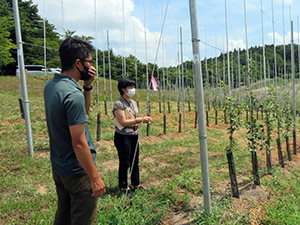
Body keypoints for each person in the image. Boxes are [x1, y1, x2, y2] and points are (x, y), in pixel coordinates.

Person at [44, 37, 105, 225]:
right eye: (89, 62)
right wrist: (94, 177)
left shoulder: (52, 86)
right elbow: (79, 142)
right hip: (78, 172)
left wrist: (87, 86)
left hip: (59, 167)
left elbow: (83, 113)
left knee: (63, 216)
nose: (91, 66)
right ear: (78, 63)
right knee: (83, 220)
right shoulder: (72, 95)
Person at [112, 77, 152, 198]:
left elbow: (133, 117)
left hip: (133, 135)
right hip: (123, 137)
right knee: (125, 162)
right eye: (130, 87)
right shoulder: (119, 104)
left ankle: (136, 184)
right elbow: (123, 121)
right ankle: (124, 187)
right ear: (123, 89)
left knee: (135, 160)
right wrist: (141, 120)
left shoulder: (133, 102)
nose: (133, 89)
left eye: (133, 87)